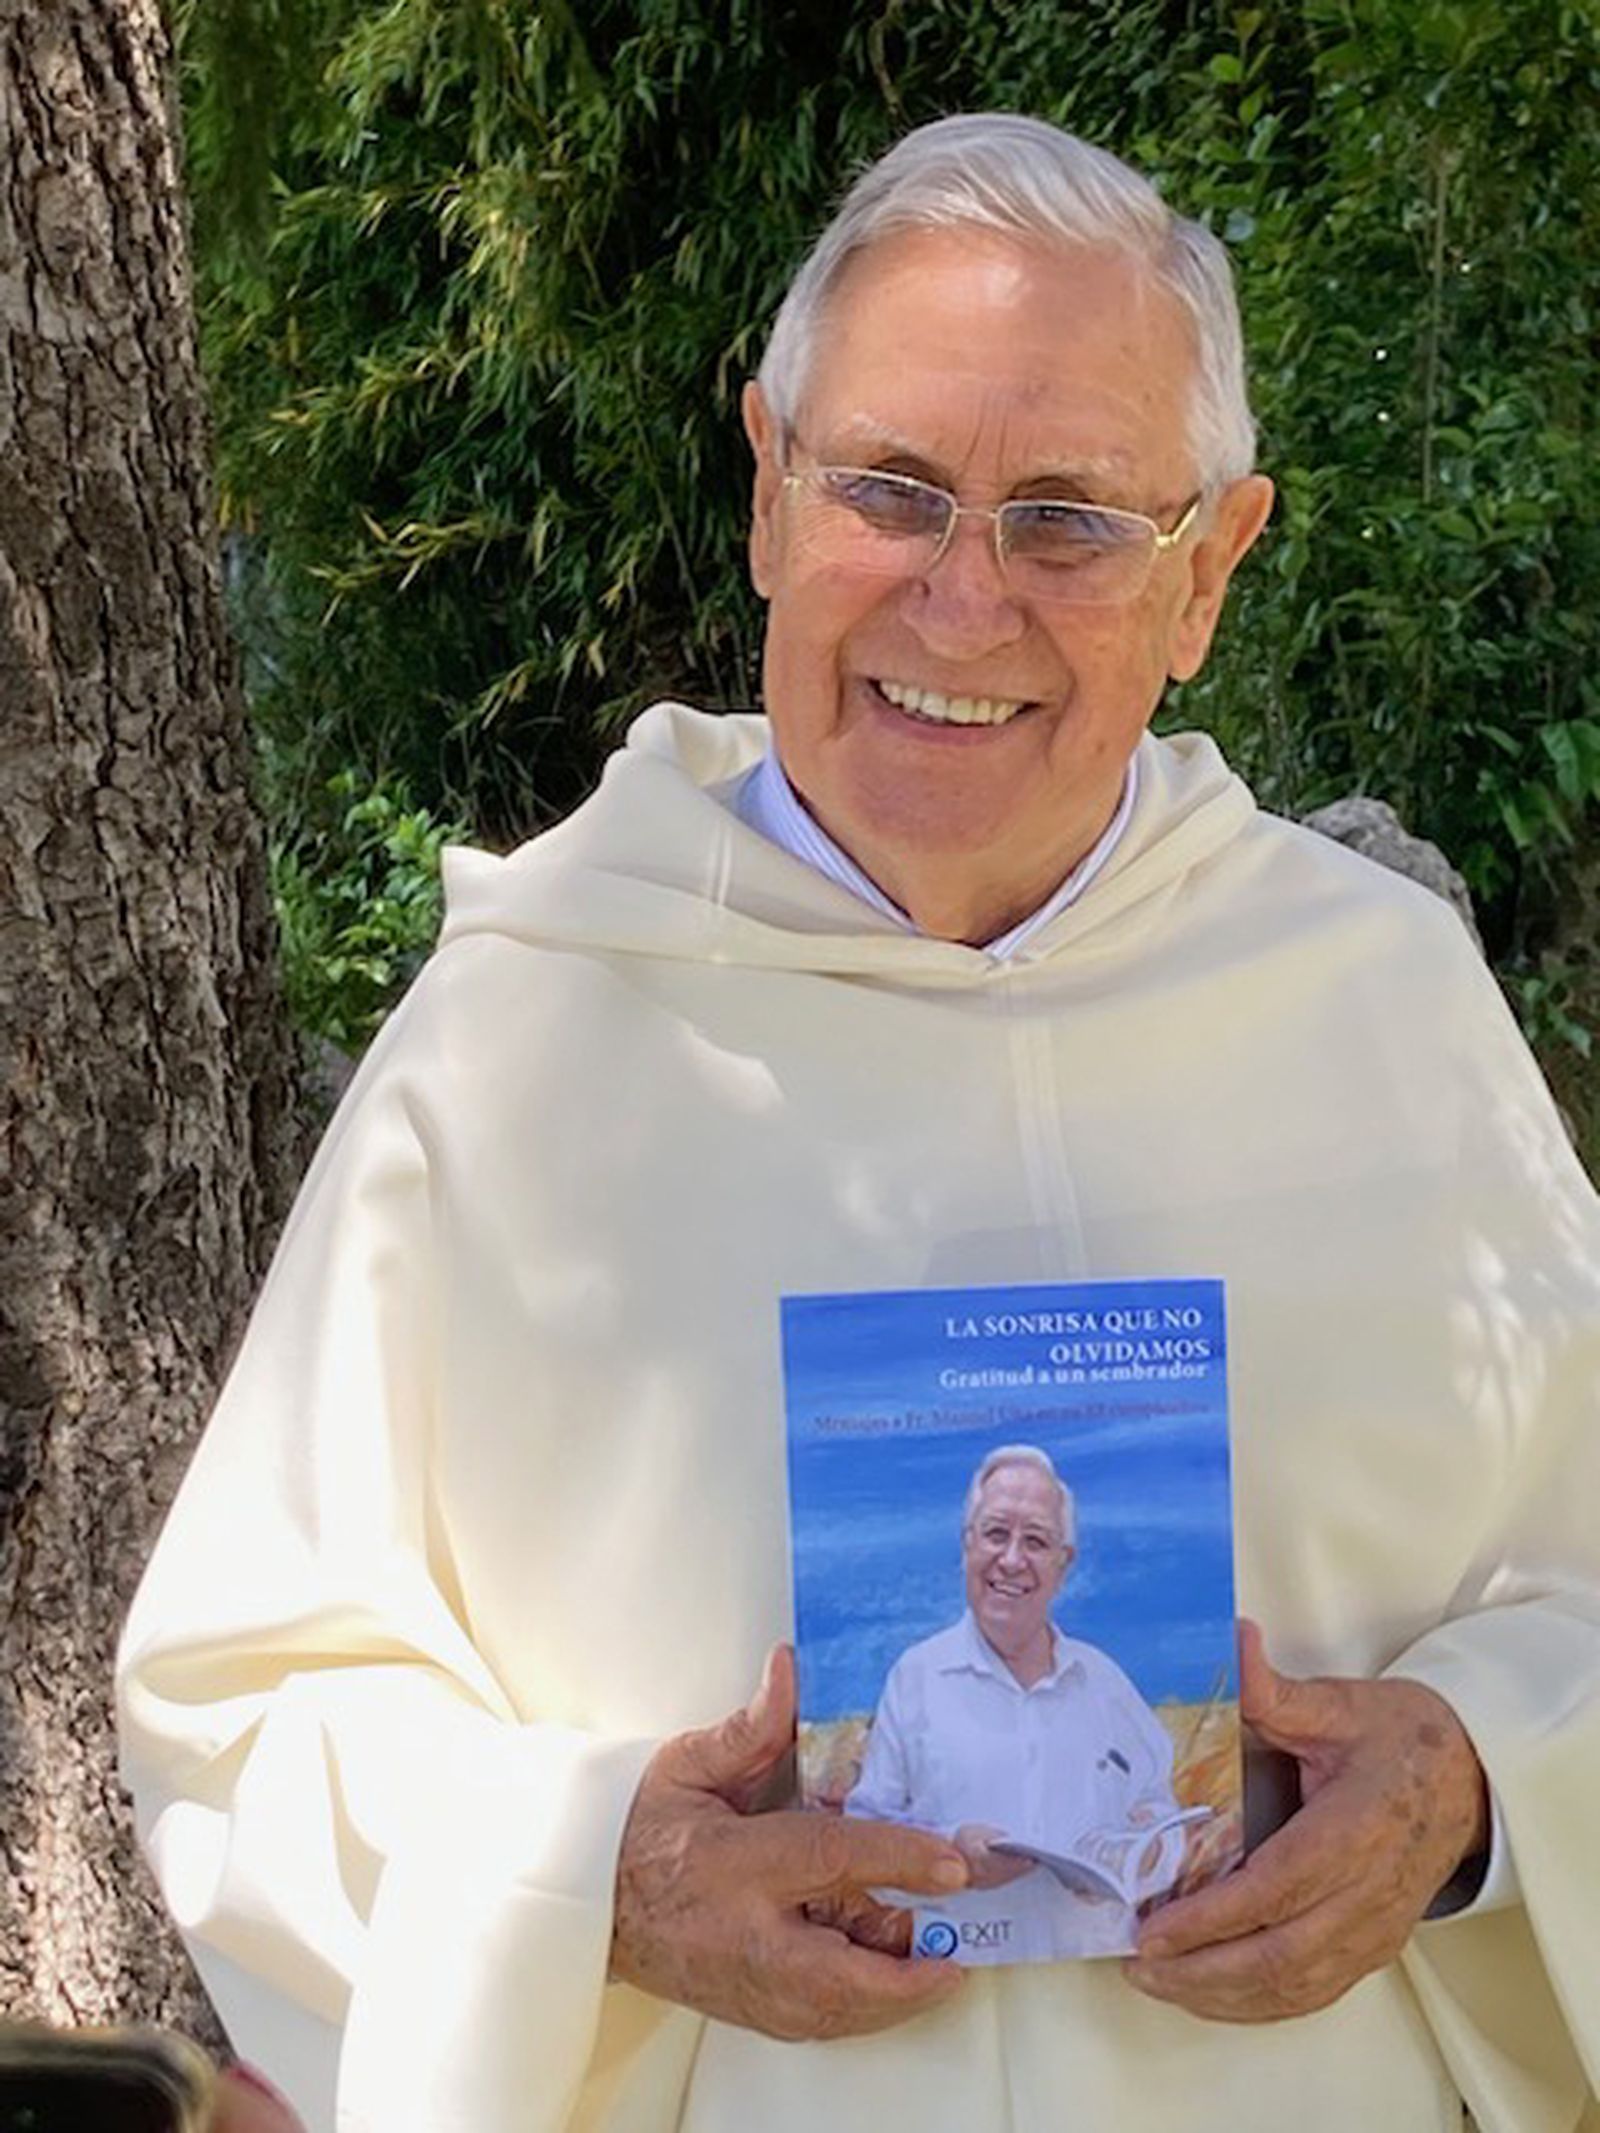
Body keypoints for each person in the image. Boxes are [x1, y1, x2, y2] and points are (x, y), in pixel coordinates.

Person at [116, 114, 1600, 2133]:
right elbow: (241, 1702)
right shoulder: (531, 1029)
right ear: (765, 492)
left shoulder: (1378, 1011)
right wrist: (587, 1883)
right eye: (889, 489)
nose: (961, 601)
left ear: (1208, 570)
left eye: (1068, 516)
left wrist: (1469, 1783)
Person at [845, 1446, 1191, 1960]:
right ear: (966, 1544)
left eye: (1035, 1540)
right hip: (954, 1988)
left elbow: (1161, 1815)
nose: (1011, 1559)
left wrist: (1135, 1863)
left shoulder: (1104, 1682)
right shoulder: (916, 1677)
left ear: (1063, 1563)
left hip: (1102, 1989)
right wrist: (951, 1856)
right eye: (995, 1533)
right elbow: (864, 1838)